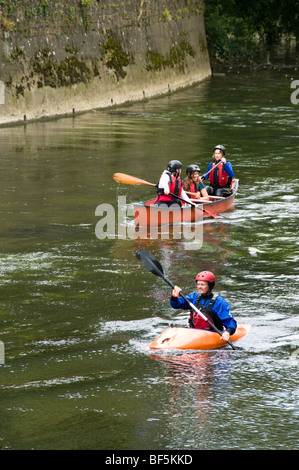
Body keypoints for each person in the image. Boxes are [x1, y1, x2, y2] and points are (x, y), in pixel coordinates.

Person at [170, 270, 237, 342]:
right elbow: (176, 305)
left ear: (210, 286)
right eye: (198, 284)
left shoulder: (219, 302)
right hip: (193, 333)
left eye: (202, 284)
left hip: (212, 334)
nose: (199, 287)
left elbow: (230, 321)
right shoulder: (194, 297)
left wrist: (227, 332)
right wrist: (174, 297)